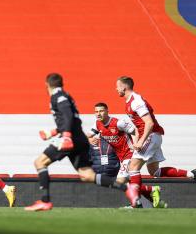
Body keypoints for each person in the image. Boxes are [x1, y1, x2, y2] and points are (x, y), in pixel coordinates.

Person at [25, 73, 129, 211]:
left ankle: (45, 201)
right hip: (78, 138)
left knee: (39, 162)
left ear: (47, 85)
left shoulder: (58, 96)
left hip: (70, 139)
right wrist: (53, 132)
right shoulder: (65, 95)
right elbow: (71, 120)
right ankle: (126, 187)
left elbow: (67, 115)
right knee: (87, 175)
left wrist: (66, 136)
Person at [116, 76, 196, 207]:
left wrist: (141, 141)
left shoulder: (136, 101)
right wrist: (136, 140)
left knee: (133, 168)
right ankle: (192, 174)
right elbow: (138, 124)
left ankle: (136, 203)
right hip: (152, 137)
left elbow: (149, 123)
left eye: (117, 86)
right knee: (154, 172)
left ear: (124, 87)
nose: (116, 89)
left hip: (150, 136)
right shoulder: (129, 102)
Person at [88, 102, 167, 208]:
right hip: (121, 157)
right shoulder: (97, 124)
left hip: (129, 154)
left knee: (120, 181)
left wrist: (135, 144)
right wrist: (90, 139)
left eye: (101, 111)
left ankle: (136, 203)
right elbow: (88, 135)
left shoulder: (118, 123)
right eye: (96, 111)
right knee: (130, 183)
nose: (98, 114)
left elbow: (135, 131)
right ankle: (150, 193)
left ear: (107, 111)